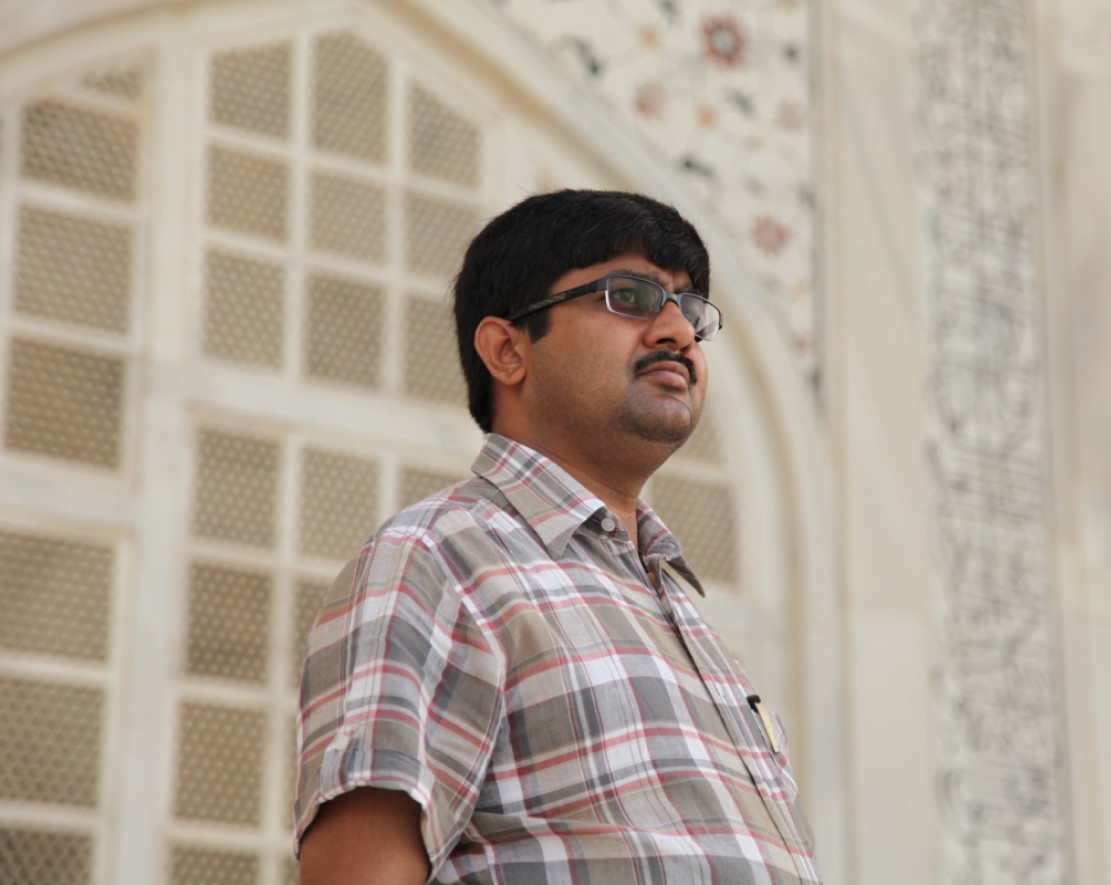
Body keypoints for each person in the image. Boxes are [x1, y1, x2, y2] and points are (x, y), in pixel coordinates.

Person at [293, 189, 822, 884]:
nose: (677, 331)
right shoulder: (438, 559)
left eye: (690, 309)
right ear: (508, 350)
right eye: (629, 297)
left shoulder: (681, 609)